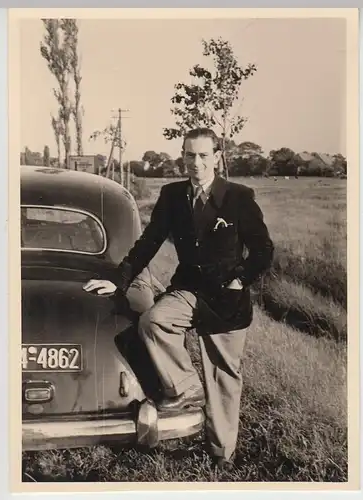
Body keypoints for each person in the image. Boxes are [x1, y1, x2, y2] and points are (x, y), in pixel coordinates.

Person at [83, 128, 274, 470]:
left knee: (223, 375)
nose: (195, 163)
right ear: (182, 157)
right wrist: (118, 280)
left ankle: (222, 454)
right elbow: (149, 242)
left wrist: (239, 279)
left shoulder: (239, 197)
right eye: (189, 155)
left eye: (203, 155)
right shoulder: (172, 196)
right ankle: (187, 389)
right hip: (188, 289)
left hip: (226, 300)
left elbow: (263, 250)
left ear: (218, 156)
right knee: (154, 322)